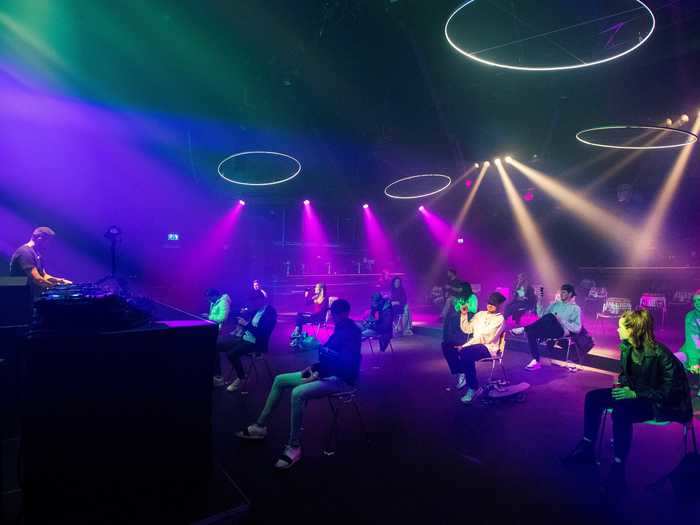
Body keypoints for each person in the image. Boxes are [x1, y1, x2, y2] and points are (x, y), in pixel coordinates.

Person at [562, 309, 692, 500]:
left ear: (634, 330)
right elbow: (627, 376)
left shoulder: (660, 354)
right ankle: (587, 448)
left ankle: (618, 467)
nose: (617, 330)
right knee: (593, 397)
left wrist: (635, 393)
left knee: (621, 413)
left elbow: (670, 392)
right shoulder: (627, 347)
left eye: (621, 326)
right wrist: (624, 386)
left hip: (663, 403)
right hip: (637, 394)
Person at [236, 299, 361, 469]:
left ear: (343, 314)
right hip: (325, 374)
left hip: (342, 381)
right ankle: (260, 426)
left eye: (335, 313)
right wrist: (315, 367)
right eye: (332, 313)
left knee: (298, 393)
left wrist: (318, 369)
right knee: (280, 380)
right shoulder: (341, 328)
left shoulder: (352, 333)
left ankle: (294, 446)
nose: (332, 316)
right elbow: (329, 356)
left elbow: (346, 364)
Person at [511, 283, 581, 371]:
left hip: (561, 331)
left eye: (563, 292)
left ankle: (524, 329)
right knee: (531, 331)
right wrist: (539, 301)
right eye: (561, 292)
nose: (561, 294)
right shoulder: (555, 304)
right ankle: (536, 360)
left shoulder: (576, 309)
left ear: (570, 294)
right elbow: (542, 316)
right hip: (548, 329)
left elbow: (577, 329)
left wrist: (561, 320)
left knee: (551, 316)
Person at [218, 292, 277, 392]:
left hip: (257, 343)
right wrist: (242, 324)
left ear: (261, 299)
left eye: (254, 301)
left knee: (231, 354)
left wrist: (245, 324)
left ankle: (241, 378)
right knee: (218, 346)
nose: (253, 304)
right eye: (252, 302)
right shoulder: (256, 310)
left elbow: (262, 333)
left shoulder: (270, 312)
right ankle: (218, 377)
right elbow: (250, 326)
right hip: (246, 339)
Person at [456, 292, 506, 403]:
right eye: (489, 303)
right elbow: (467, 329)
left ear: (499, 305)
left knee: (465, 353)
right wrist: (464, 315)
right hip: (475, 345)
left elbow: (485, 338)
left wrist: (465, 346)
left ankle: (472, 387)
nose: (490, 305)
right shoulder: (480, 315)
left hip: (489, 348)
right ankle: (468, 381)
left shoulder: (500, 319)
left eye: (493, 304)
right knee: (452, 348)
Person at [9, 227, 72, 297]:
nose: (49, 245)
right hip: (22, 297)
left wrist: (60, 281)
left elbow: (44, 275)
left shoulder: (37, 253)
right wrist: (58, 288)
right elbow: (37, 279)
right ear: (40, 239)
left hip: (31, 295)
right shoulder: (25, 252)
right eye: (49, 242)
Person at [290, 282, 328, 347]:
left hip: (318, 318)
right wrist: (306, 296)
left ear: (321, 289)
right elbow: (306, 303)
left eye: (316, 287)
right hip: (314, 316)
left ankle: (296, 336)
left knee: (300, 319)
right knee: (299, 315)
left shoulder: (325, 299)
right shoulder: (315, 297)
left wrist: (311, 315)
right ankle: (297, 335)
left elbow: (322, 312)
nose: (315, 288)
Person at [680, 290, 700, 383]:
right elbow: (693, 339)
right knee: (677, 359)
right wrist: (694, 362)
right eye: (695, 301)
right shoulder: (691, 316)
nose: (697, 303)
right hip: (692, 352)